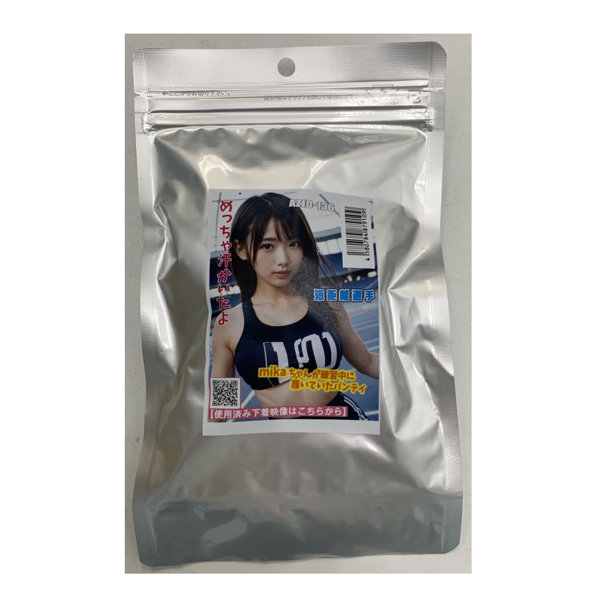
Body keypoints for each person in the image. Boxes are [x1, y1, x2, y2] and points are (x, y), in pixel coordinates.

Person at [211, 193, 379, 419]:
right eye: (267, 246)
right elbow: (222, 408)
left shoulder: (326, 301)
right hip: (285, 437)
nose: (283, 259)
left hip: (345, 421)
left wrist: (415, 372)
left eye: (293, 244)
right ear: (240, 249)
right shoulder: (229, 324)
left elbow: (367, 361)